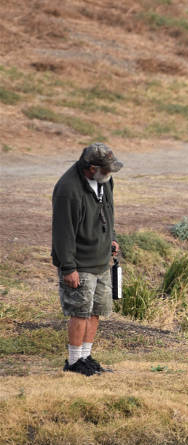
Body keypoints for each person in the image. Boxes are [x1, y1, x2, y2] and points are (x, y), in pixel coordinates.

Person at [52, 142, 123, 376]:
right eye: (107, 169)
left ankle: (86, 357)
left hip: (101, 260)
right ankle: (73, 363)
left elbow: (108, 213)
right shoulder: (68, 190)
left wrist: (110, 238)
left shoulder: (105, 181)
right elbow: (63, 232)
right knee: (80, 311)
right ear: (92, 168)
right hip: (79, 263)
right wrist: (68, 267)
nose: (111, 173)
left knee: (96, 310)